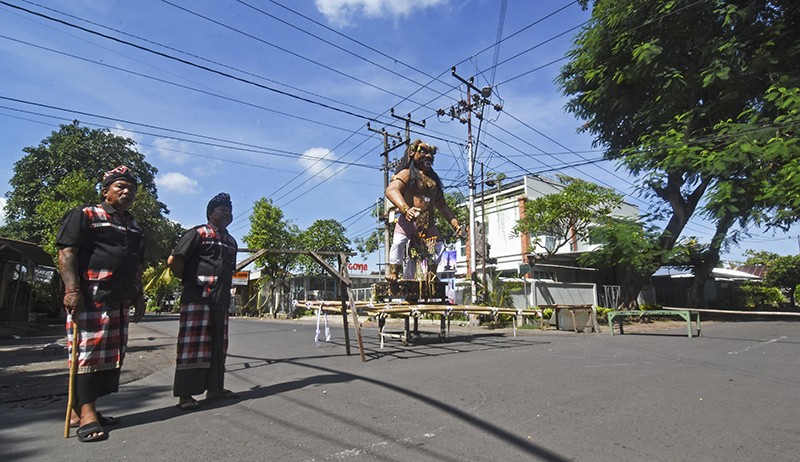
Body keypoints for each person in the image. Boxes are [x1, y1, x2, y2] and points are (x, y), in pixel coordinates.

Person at [57, 165, 146, 443]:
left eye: (131, 188)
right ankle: (87, 414)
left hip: (120, 297)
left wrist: (139, 295)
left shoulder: (133, 225)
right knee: (88, 355)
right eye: (120, 186)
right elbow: (67, 251)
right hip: (91, 296)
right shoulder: (85, 215)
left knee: (110, 356)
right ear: (105, 190)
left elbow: (136, 266)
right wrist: (72, 289)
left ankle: (80, 410)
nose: (126, 191)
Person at [168, 192, 239, 410]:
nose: (227, 213)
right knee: (193, 346)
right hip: (197, 299)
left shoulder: (230, 241)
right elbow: (175, 261)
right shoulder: (197, 234)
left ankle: (215, 389)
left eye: (229, 210)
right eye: (221, 209)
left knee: (218, 345)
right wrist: (192, 281)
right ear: (210, 213)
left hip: (220, 301)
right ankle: (186, 395)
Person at [384, 139, 464, 281]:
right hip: (408, 220)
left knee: (439, 248)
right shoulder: (406, 173)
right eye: (423, 152)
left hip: (428, 224)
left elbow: (442, 206)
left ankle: (431, 275)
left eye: (430, 153)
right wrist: (405, 209)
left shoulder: (434, 182)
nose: (428, 156)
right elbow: (391, 190)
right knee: (398, 243)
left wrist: (456, 225)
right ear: (412, 154)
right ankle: (394, 273)